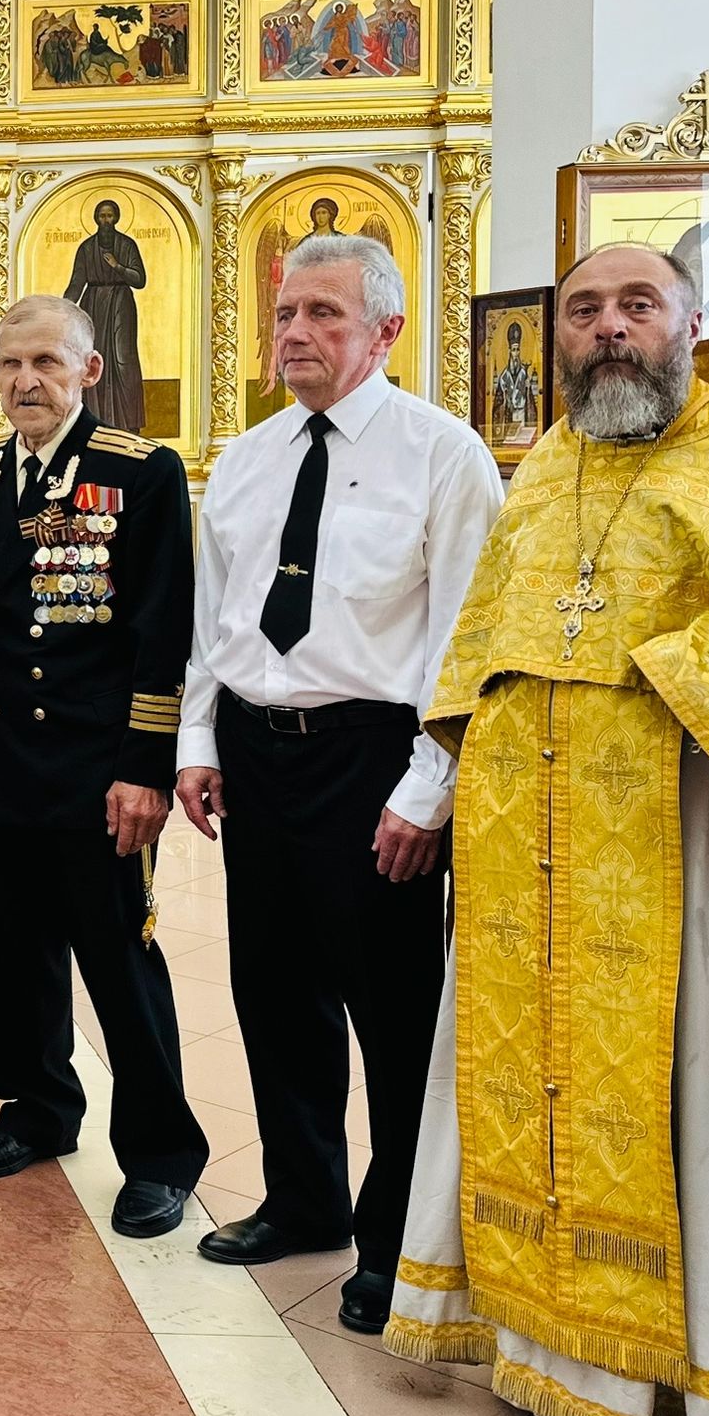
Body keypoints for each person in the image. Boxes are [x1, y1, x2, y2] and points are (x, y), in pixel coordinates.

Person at [387, 246, 709, 1416]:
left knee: (705, 1113)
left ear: (691, 321)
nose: (609, 329)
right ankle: (577, 1377)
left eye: (639, 305)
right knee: (545, 1104)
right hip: (536, 880)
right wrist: (440, 801)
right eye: (584, 310)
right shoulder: (542, 473)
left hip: (695, 869)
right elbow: (477, 660)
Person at [175, 233, 502, 1336]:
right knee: (272, 992)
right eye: (285, 314)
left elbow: (464, 638)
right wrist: (197, 739)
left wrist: (426, 790)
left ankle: (394, 1240)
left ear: (386, 331)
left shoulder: (443, 456)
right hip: (257, 750)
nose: (296, 334)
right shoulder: (246, 456)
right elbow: (215, 618)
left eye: (324, 313)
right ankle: (302, 1196)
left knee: (392, 1011)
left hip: (373, 756)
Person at [0, 296, 206, 1236]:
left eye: (46, 362)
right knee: (13, 960)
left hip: (99, 774)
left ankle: (160, 1154)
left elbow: (162, 629)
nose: (25, 381)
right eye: (10, 364)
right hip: (5, 762)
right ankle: (38, 1111)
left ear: (88, 370)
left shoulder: (138, 472)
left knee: (119, 965)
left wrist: (146, 768)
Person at [64, 199, 149, 432]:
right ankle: (94, 422)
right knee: (93, 360)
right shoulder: (86, 248)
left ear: (116, 218)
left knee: (123, 360)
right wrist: (61, 310)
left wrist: (118, 266)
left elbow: (139, 279)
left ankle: (129, 424)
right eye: (102, 216)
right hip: (93, 306)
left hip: (121, 305)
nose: (106, 221)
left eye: (110, 216)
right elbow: (76, 283)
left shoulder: (127, 245)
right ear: (96, 219)